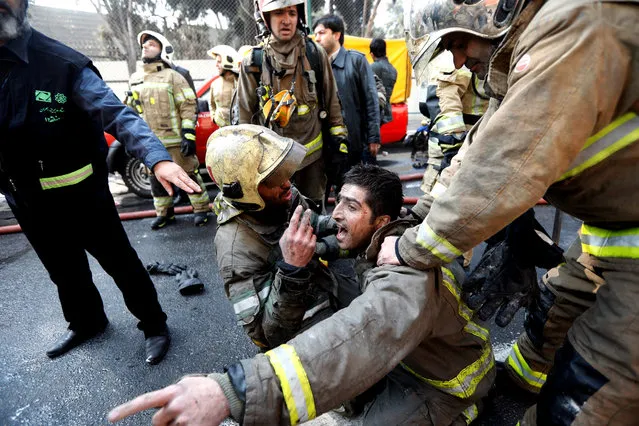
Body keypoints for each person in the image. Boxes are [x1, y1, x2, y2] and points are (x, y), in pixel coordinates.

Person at [380, 0, 639, 424]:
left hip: (629, 231)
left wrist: (412, 250)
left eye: (458, 42)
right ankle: (516, 392)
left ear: (498, 9)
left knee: (586, 395)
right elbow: (474, 158)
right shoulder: (522, 59)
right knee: (548, 322)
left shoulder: (573, 27)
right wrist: (419, 217)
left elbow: (506, 168)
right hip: (611, 228)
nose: (458, 59)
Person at [108, 163, 495, 425]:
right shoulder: (397, 235)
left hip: (449, 381)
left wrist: (233, 391)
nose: (335, 213)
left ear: (380, 222)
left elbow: (356, 339)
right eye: (338, 199)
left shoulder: (400, 279)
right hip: (421, 353)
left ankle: (463, 414)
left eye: (351, 206)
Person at [0, 0, 203, 364]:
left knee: (121, 264)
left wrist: (157, 159)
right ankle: (87, 321)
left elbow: (118, 115)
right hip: (27, 202)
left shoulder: (62, 64)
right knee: (63, 270)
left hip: (82, 198)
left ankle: (154, 325)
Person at [206, 124, 337, 350]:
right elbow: (270, 334)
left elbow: (310, 222)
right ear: (246, 191)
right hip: (295, 333)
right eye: (272, 179)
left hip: (321, 286)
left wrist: (344, 224)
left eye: (282, 172)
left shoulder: (281, 197)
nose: (287, 184)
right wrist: (292, 270)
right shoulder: (236, 251)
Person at [234, 0, 348, 208]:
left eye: (291, 13)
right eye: (278, 13)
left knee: (313, 216)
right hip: (271, 162)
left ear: (300, 17)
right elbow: (244, 114)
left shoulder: (315, 53)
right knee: (277, 217)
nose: (286, 20)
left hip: (312, 160)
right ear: (266, 19)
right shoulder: (254, 60)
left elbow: (332, 101)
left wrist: (339, 142)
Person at [129, 30, 211, 229]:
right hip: (151, 142)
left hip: (175, 141)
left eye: (151, 44)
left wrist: (188, 135)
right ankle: (164, 213)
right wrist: (131, 139)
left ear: (163, 50)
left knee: (188, 175)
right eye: (144, 44)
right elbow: (131, 111)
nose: (146, 47)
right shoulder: (136, 79)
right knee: (155, 180)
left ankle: (201, 210)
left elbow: (188, 106)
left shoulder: (174, 76)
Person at [313, 14, 381, 177]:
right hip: (324, 146)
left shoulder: (356, 61)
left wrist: (373, 137)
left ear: (337, 35)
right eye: (315, 34)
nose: (317, 38)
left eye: (321, 33)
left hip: (354, 144)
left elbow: (371, 101)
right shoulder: (314, 65)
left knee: (354, 189)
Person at [418, 51, 489, 194]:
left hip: (478, 146)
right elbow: (445, 102)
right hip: (452, 149)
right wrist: (454, 148)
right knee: (440, 202)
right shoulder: (457, 57)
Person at [207, 44, 240, 128]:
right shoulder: (214, 84)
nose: (216, 65)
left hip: (238, 131)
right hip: (222, 132)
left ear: (227, 62)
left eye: (219, 62)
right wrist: (214, 117)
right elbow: (212, 104)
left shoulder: (240, 82)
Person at [369, 37, 397, 129]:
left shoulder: (372, 67)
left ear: (372, 54)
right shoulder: (393, 70)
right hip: (385, 112)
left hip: (372, 112)